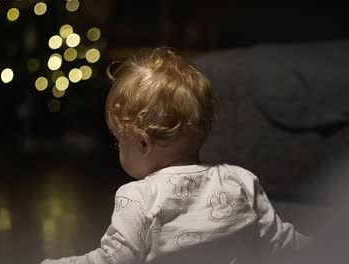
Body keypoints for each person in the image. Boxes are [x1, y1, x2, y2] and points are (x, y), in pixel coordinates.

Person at [41, 47, 310, 264]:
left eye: (118, 142)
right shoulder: (240, 179)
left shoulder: (138, 197)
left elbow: (113, 260)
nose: (117, 150)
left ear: (143, 144)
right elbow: (280, 241)